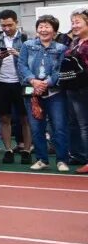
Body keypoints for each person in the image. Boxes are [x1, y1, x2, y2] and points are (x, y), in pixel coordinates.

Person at [18, 14, 71, 172]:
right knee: (36, 127)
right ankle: (42, 159)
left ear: (54, 31)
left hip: (55, 93)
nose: (43, 29)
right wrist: (33, 81)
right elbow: (21, 65)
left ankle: (62, 160)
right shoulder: (27, 45)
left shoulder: (61, 49)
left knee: (59, 127)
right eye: (41, 26)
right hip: (32, 91)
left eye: (47, 26)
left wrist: (46, 83)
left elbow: (59, 70)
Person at [0, 10, 32, 164]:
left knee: (25, 118)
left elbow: (33, 61)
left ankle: (27, 150)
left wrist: (19, 54)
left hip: (22, 83)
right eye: (3, 25)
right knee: (4, 117)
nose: (7, 28)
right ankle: (8, 149)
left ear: (16, 22)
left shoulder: (26, 39)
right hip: (1, 82)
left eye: (10, 25)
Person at [65, 9, 88, 172]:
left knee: (85, 125)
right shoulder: (74, 42)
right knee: (75, 123)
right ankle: (79, 155)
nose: (74, 26)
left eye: (78, 22)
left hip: (85, 88)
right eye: (73, 22)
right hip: (73, 88)